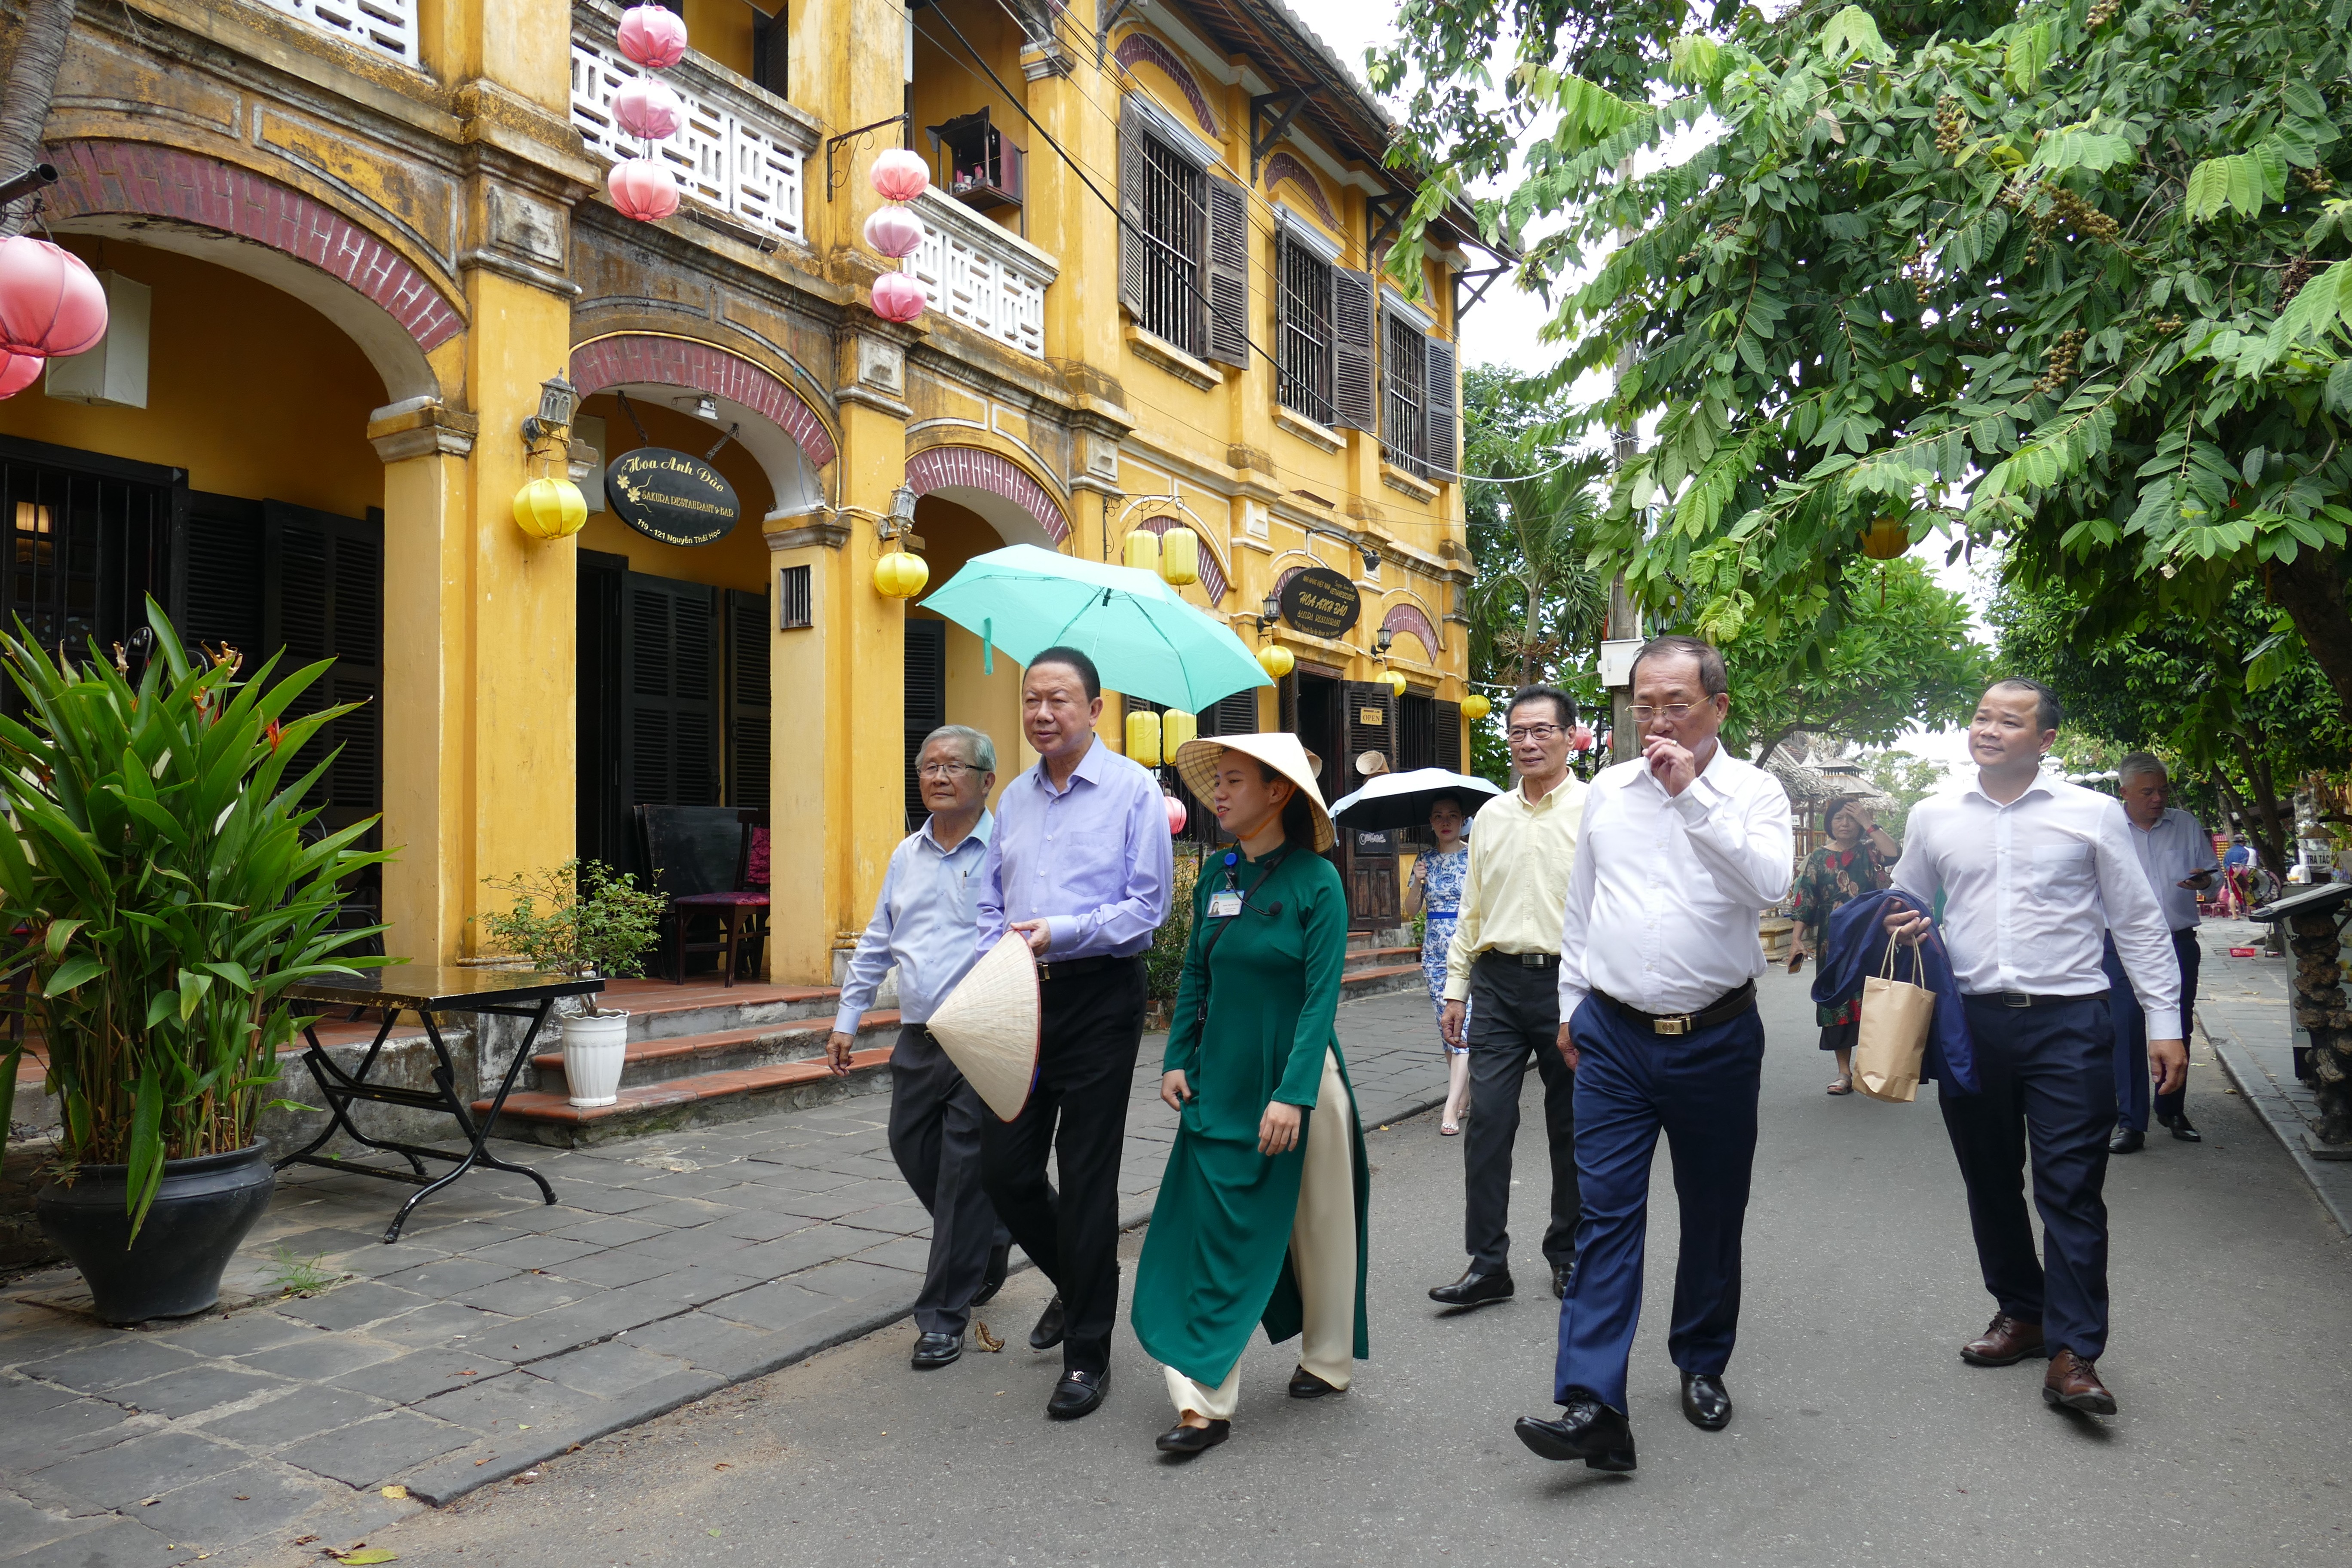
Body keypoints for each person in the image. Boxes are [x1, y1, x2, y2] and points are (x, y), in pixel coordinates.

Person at [1516, 636, 1792, 1473]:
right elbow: (1584, 906)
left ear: (1719, 707)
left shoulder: (1754, 792)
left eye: (1676, 704)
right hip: (1615, 1038)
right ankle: (1594, 1403)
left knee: (1712, 1211)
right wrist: (1572, 1005)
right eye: (1646, 706)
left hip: (1717, 1040)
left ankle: (1701, 1360)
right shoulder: (1609, 792)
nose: (1659, 721)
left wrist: (1694, 799)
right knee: (1605, 1218)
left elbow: (1771, 886)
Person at [1883, 680, 2183, 1418]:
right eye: (1982, 716)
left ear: (2044, 739)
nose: (1988, 729)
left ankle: (2076, 1352)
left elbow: (2137, 921)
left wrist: (2163, 1019)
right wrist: (1907, 924)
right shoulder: (1933, 815)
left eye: (2008, 721)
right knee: (1989, 1178)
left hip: (2070, 1023)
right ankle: (2021, 1311)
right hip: (1971, 1025)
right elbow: (1904, 900)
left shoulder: (2093, 815)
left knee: (2069, 1187)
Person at [1133, 734, 1368, 1456]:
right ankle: (1203, 1402)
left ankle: (1327, 1360)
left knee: (1321, 1225)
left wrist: (1292, 1094)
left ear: (1278, 793)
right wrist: (1176, 1058)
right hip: (1221, 1081)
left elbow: (1318, 999)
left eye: (1236, 781)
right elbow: (1197, 978)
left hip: (1300, 1079)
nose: (1220, 794)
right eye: (1218, 782)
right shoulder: (1218, 876)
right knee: (1214, 1230)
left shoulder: (1315, 881)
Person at [974, 647, 1173, 1421]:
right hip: (1020, 998)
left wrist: (1055, 933)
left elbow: (1144, 910)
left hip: (1097, 999)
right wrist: (999, 945)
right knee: (1005, 1170)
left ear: (1096, 708)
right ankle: (1077, 1278)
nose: (1042, 712)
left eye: (1059, 698)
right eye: (1031, 699)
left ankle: (1087, 1354)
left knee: (1087, 1177)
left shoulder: (1133, 791)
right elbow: (991, 897)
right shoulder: (1014, 800)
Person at [829, 725, 1010, 1369]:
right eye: (928, 766)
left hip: (984, 1032)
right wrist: (848, 1016)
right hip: (918, 1031)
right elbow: (880, 937)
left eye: (953, 766)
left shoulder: (1007, 851)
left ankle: (942, 1316)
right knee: (911, 1147)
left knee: (964, 1173)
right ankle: (991, 1232)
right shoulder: (908, 853)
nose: (937, 776)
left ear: (987, 781)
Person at [1431, 688, 1589, 1310]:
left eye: (1542, 731)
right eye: (1518, 732)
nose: (1528, 742)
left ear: (1571, 737)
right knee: (1489, 1123)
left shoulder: (1596, 809)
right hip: (1496, 984)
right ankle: (1488, 1264)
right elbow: (1473, 910)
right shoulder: (1491, 816)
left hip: (1569, 986)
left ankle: (1568, 1253)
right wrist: (1455, 989)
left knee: (1570, 1127)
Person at [2104, 754, 2219, 1152]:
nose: (2158, 798)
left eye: (2163, 790)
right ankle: (2131, 1123)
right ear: (2125, 793)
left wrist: (2204, 882)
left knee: (2176, 1024)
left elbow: (2213, 881)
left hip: (2177, 942)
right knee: (2127, 1027)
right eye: (2147, 792)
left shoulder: (2184, 824)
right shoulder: (2107, 827)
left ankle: (2171, 1109)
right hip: (2119, 946)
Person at [1788, 795, 1901, 1094]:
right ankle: (1844, 1073)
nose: (1845, 824)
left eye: (1851, 818)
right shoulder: (1817, 859)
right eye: (1839, 818)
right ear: (1830, 824)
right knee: (1838, 1000)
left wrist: (1869, 822)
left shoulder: (1872, 852)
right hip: (1833, 942)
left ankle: (1873, 1069)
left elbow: (1894, 853)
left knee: (1875, 999)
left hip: (1872, 937)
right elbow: (1805, 900)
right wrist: (1796, 939)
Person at [1402, 793, 1473, 1134]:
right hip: (1434, 952)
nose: (1445, 822)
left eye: (1453, 816)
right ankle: (1464, 1094)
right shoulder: (1424, 860)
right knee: (1445, 1026)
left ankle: (1450, 1106)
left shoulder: (1475, 857)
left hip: (1467, 949)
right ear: (1431, 822)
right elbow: (1412, 910)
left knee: (1465, 1025)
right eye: (1438, 816)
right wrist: (1418, 880)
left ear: (1462, 820)